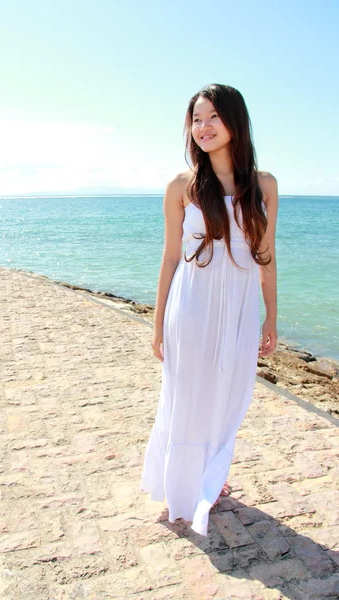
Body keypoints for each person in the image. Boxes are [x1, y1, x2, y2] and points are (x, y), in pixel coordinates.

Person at [139, 83, 278, 537]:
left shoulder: (264, 186)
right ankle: (184, 485)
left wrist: (270, 316)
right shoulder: (181, 186)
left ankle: (211, 473)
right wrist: (158, 324)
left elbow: (267, 255)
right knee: (187, 394)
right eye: (196, 119)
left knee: (228, 395)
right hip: (192, 306)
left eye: (213, 117)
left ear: (235, 122)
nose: (203, 127)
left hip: (238, 309)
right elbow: (170, 257)